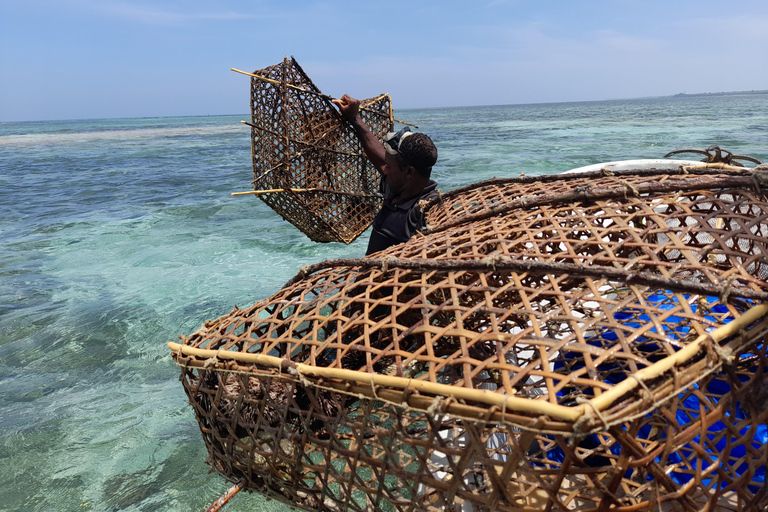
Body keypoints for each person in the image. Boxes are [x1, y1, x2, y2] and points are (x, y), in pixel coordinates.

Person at [333, 94, 439, 255]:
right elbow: (379, 156)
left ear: (409, 172)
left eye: (389, 166)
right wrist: (355, 119)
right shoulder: (397, 188)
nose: (384, 170)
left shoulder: (425, 210)